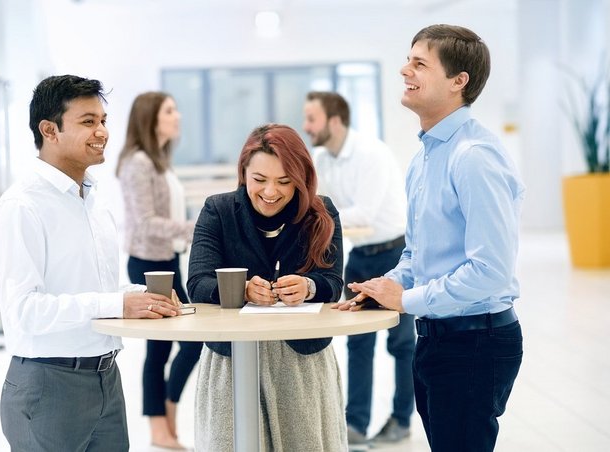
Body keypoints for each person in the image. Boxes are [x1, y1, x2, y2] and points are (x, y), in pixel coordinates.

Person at [336, 24, 525, 452]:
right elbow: (417, 254)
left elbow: (490, 272)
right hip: (438, 338)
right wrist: (386, 287)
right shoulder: (425, 157)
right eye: (409, 59)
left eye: (420, 63)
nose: (406, 70)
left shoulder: (473, 158)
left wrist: (405, 301)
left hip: (476, 342)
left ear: (460, 82)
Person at [0, 75, 182, 452]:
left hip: (106, 379)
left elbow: (96, 290)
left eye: (103, 120)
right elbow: (23, 310)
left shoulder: (92, 199)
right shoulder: (21, 207)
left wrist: (142, 296)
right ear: (49, 130)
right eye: (88, 121)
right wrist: (116, 303)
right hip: (48, 386)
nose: (103, 132)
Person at [188, 123, 346, 451]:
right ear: (243, 172)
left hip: (301, 361)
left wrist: (308, 286)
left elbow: (332, 283)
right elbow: (197, 283)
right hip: (231, 359)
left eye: (284, 182)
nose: (270, 192)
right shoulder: (217, 211)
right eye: (259, 180)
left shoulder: (321, 212)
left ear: (301, 179)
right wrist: (240, 290)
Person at [303, 91, 415, 449]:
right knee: (358, 343)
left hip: (396, 255)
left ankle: (401, 420)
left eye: (312, 119)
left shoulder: (371, 154)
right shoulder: (322, 158)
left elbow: (360, 213)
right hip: (361, 257)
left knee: (401, 344)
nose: (307, 127)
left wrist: (321, 217)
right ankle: (355, 426)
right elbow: (317, 207)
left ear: (334, 121)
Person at [116, 91, 202, 450]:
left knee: (185, 343)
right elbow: (145, 222)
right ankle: (159, 426)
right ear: (151, 118)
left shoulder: (158, 161)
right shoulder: (137, 163)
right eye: (170, 110)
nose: (177, 116)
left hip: (167, 260)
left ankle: (166, 414)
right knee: (162, 348)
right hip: (149, 264)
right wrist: (193, 227)